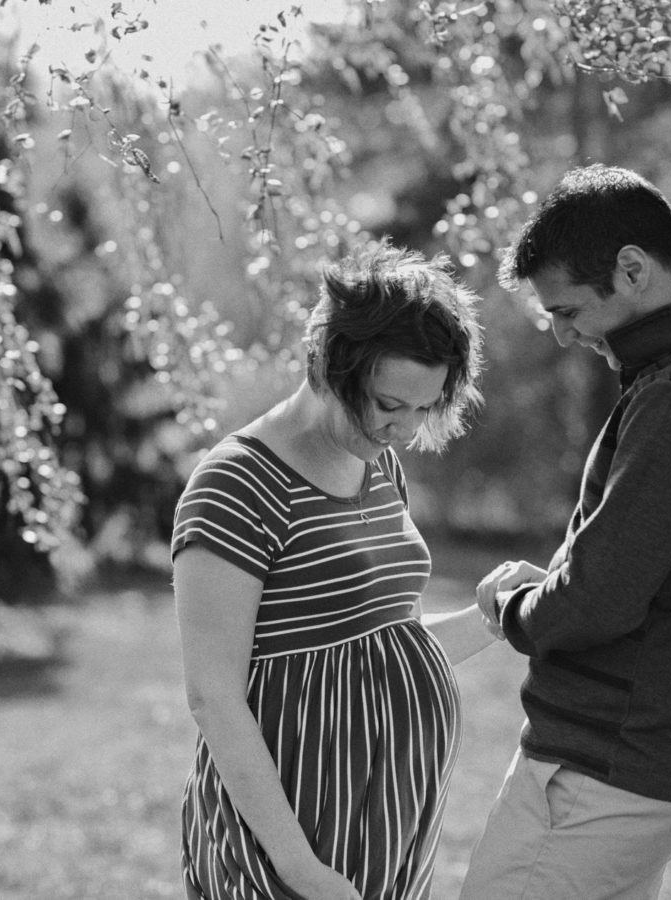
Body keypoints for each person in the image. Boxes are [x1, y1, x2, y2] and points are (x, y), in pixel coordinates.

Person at [459, 165, 671, 900]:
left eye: (567, 309)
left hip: (602, 768)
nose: (562, 332)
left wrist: (512, 609)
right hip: (627, 759)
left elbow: (598, 600)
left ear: (632, 269)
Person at [172, 241, 501, 900]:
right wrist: (303, 873)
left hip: (385, 836)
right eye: (387, 404)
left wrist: (489, 618)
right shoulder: (236, 483)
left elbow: (378, 646)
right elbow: (214, 697)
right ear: (329, 364)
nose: (403, 429)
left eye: (423, 408)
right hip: (288, 848)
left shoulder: (378, 466)